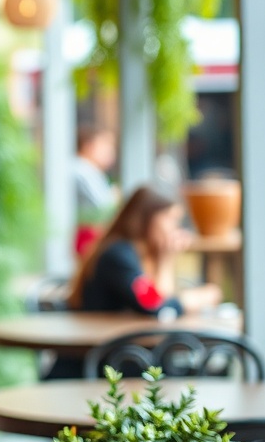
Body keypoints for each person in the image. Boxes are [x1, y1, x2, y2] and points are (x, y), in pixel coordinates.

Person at [68, 185, 222, 318]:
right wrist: (191, 299)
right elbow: (156, 307)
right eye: (170, 218)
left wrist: (165, 259)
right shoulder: (118, 255)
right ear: (147, 218)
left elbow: (160, 303)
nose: (175, 228)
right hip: (102, 348)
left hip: (124, 347)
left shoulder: (136, 253)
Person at [73, 125, 117, 257]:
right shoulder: (81, 169)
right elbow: (101, 205)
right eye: (105, 145)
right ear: (88, 145)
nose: (111, 151)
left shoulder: (91, 171)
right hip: (85, 239)